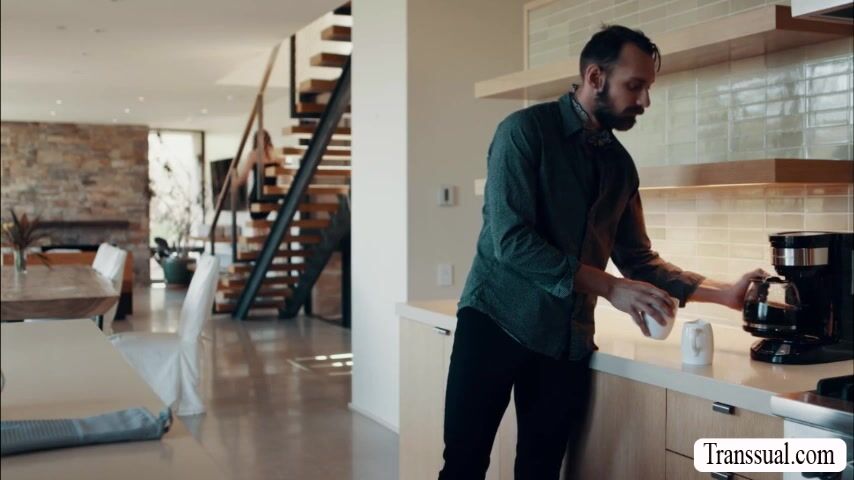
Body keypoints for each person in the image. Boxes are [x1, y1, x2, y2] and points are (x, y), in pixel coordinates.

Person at [440, 25, 764, 480]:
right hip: (496, 319)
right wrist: (610, 287)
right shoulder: (523, 132)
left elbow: (639, 260)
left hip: (565, 339)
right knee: (463, 466)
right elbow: (511, 241)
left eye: (648, 88)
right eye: (635, 86)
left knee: (540, 471)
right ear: (595, 77)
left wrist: (723, 293)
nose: (645, 101)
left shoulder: (620, 165)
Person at [234, 129, 276, 220]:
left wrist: (233, 183)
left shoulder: (254, 154)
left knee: (258, 223)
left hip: (258, 195)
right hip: (272, 196)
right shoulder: (276, 153)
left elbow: (244, 177)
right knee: (265, 224)